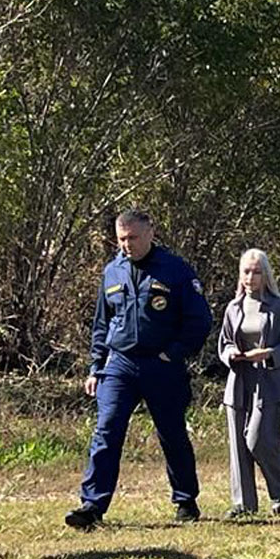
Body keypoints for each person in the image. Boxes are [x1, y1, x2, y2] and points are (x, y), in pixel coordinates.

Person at [66, 210, 212, 530]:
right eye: (121, 239)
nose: (127, 245)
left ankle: (185, 500)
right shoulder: (112, 272)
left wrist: (173, 353)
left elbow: (199, 320)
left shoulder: (175, 270)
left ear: (150, 234)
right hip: (119, 363)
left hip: (161, 365)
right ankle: (92, 506)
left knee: (171, 433)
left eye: (132, 238)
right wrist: (95, 366)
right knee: (107, 429)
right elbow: (102, 324)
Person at [219, 249, 280, 517]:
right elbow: (225, 342)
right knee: (238, 446)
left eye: (256, 272)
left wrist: (269, 354)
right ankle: (244, 505)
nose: (250, 277)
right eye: (246, 272)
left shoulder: (279, 306)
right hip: (239, 381)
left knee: (258, 440)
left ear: (266, 275)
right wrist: (231, 353)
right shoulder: (233, 308)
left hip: (269, 382)